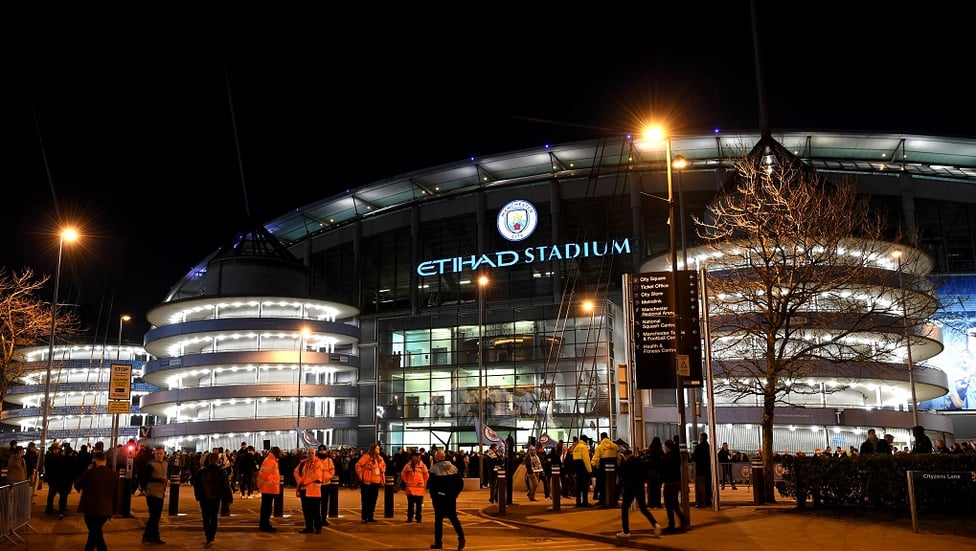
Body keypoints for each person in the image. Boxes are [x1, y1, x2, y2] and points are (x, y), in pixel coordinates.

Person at [74, 450, 118, 551]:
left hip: (90, 508)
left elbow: (77, 485)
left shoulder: (90, 473)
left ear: (94, 460)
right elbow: (116, 494)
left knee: (95, 533)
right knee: (95, 532)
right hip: (106, 509)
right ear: (105, 460)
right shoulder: (114, 475)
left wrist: (86, 471)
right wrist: (113, 510)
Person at [616, 448, 661, 538]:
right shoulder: (640, 462)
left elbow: (623, 476)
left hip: (629, 488)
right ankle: (655, 524)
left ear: (626, 456)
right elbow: (646, 475)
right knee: (643, 508)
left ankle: (626, 531)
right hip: (639, 487)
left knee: (625, 508)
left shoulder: (627, 464)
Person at [193, 450, 234, 548]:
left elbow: (196, 485)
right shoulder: (221, 471)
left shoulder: (201, 471)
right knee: (214, 517)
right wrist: (229, 498)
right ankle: (212, 537)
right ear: (218, 460)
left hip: (204, 498)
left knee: (206, 518)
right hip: (215, 498)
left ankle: (208, 537)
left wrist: (198, 496)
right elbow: (226, 486)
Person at [428, 449, 465, 550]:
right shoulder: (453, 468)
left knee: (438, 521)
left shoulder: (434, 469)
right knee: (454, 518)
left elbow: (431, 485)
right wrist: (455, 493)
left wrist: (434, 496)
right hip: (451, 498)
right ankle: (461, 537)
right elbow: (460, 483)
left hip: (439, 498)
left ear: (437, 458)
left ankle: (438, 543)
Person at [139, 446, 168, 544]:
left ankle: (152, 536)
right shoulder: (151, 465)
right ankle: (149, 536)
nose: (159, 455)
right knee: (154, 516)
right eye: (157, 454)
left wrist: (164, 488)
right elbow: (146, 478)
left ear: (164, 454)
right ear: (154, 454)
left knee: (156, 516)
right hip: (152, 493)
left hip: (160, 493)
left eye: (161, 453)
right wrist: (159, 480)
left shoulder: (165, 464)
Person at [294, 447, 325, 534]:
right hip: (305, 490)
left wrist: (305, 482)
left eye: (312, 453)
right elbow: (295, 472)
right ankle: (309, 527)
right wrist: (300, 481)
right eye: (309, 453)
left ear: (315, 454)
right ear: (307, 454)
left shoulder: (318, 463)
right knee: (306, 510)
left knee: (315, 511)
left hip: (314, 491)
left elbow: (316, 475)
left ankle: (318, 527)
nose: (311, 455)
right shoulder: (303, 463)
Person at [661, 439, 688, 534]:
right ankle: (681, 521)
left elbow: (664, 469)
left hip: (669, 483)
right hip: (676, 482)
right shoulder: (677, 456)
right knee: (674, 504)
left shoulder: (667, 457)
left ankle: (672, 524)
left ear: (667, 447)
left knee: (669, 505)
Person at [355, 443, 386, 523]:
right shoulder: (366, 457)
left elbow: (383, 467)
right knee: (365, 500)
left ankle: (370, 516)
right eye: (377, 448)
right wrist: (361, 475)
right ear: (373, 449)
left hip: (376, 482)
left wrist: (381, 469)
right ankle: (364, 517)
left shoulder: (380, 459)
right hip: (367, 482)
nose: (379, 450)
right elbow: (358, 465)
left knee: (373, 500)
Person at [256, 446, 282, 532]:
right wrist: (259, 485)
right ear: (275, 453)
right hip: (269, 488)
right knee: (266, 508)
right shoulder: (270, 461)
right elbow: (263, 475)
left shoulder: (271, 460)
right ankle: (264, 525)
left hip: (269, 488)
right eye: (279, 452)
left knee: (266, 507)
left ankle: (265, 524)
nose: (280, 454)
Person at [401, 450, 430, 522]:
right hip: (410, 488)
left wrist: (422, 482)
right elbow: (403, 474)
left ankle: (418, 518)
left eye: (419, 456)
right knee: (410, 505)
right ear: (413, 457)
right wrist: (407, 481)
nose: (418, 458)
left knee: (418, 505)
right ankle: (410, 518)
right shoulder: (408, 465)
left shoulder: (423, 466)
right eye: (416, 456)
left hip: (419, 489)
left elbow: (426, 476)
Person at [591, 432, 618, 506]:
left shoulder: (599, 447)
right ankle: (613, 500)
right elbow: (618, 458)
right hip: (613, 468)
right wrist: (617, 466)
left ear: (602, 437)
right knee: (612, 483)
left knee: (602, 484)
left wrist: (597, 466)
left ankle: (602, 500)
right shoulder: (615, 446)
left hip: (602, 468)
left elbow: (595, 459)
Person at [315, 445, 337, 529]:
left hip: (326, 484)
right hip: (318, 484)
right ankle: (317, 519)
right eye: (320, 451)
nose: (322, 452)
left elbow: (332, 470)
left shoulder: (329, 460)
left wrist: (330, 476)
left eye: (323, 451)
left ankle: (323, 519)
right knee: (317, 503)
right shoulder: (316, 460)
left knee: (325, 503)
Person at [691, 432, 712, 507]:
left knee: (701, 487)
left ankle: (701, 502)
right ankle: (708, 501)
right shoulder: (709, 447)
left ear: (701, 438)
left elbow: (694, 458)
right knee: (707, 486)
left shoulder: (698, 447)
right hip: (708, 469)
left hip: (700, 469)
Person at [571, 435, 593, 507]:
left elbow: (573, 459)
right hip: (583, 468)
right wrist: (589, 470)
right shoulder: (584, 447)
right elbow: (586, 459)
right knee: (584, 486)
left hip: (577, 468)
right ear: (585, 440)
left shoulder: (576, 447)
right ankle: (585, 502)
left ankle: (578, 502)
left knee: (578, 486)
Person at [643, 436, 664, 508]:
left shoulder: (649, 450)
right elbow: (662, 462)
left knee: (650, 489)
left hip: (650, 472)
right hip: (658, 472)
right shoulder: (660, 451)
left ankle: (650, 503)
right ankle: (657, 503)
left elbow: (645, 461)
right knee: (657, 489)